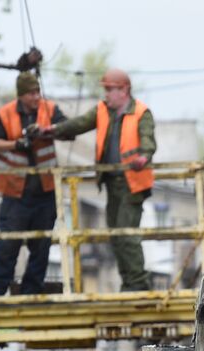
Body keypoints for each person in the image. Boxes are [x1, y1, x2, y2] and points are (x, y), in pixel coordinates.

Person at [52, 68, 156, 292]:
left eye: (110, 89)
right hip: (112, 183)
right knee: (115, 235)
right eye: (106, 89)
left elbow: (148, 142)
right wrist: (53, 130)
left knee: (126, 234)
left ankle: (137, 284)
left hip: (133, 183)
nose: (106, 94)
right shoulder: (102, 110)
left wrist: (144, 157)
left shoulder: (141, 113)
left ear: (124, 90)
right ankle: (129, 282)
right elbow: (79, 124)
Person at [0, 72, 68, 296]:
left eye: (37, 91)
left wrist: (46, 130)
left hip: (45, 191)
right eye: (31, 93)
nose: (36, 97)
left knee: (41, 246)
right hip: (15, 192)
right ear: (21, 95)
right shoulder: (5, 114)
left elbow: (67, 130)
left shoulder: (49, 110)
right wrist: (16, 144)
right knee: (8, 245)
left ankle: (32, 292)